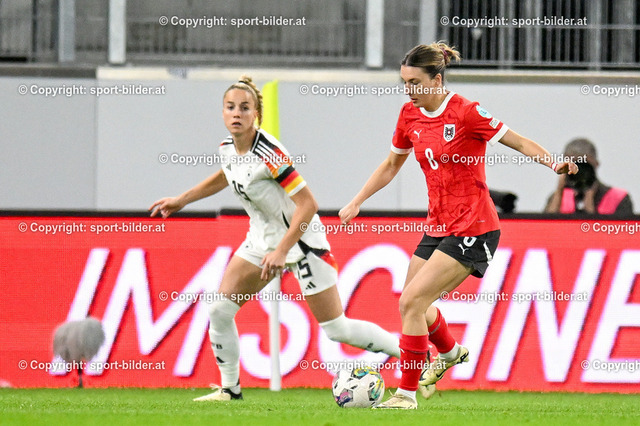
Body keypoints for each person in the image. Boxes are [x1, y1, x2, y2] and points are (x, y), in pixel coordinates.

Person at [149, 76, 419, 402]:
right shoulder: (226, 149)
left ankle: (413, 356)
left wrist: (282, 250)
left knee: (337, 329)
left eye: (244, 108)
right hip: (261, 241)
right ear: (222, 113)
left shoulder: (271, 154)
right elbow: (225, 175)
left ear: (256, 114)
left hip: (302, 242)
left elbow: (309, 205)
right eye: (230, 107)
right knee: (219, 310)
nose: (237, 113)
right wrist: (181, 200)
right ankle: (230, 390)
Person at [339, 42, 578, 409]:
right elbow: (391, 165)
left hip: (474, 227)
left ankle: (405, 395)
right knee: (412, 306)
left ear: (437, 80)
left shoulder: (466, 112)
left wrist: (553, 163)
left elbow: (517, 141)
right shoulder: (409, 115)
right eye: (405, 82)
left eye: (415, 82)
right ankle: (450, 352)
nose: (409, 90)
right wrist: (358, 200)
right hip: (437, 226)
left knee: (413, 302)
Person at [545, 138, 633, 215]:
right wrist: (559, 193)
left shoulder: (618, 198)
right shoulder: (558, 198)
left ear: (596, 165)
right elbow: (544, 226)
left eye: (584, 165)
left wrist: (589, 203)